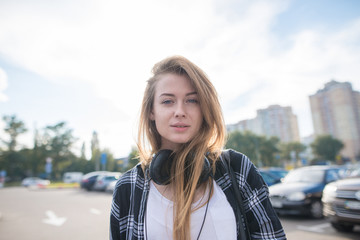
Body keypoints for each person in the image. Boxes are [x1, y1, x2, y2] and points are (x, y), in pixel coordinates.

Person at [110, 56, 286, 240]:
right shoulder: (127, 186)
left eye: (192, 100)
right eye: (168, 101)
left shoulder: (236, 168)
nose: (180, 111)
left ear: (204, 109)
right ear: (151, 111)